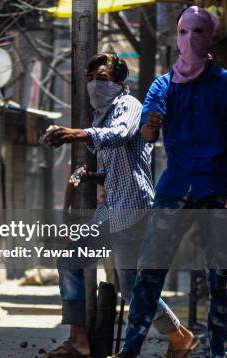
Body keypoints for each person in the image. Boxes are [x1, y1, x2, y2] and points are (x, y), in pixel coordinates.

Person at [43, 52, 192, 357]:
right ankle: (79, 341)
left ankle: (179, 335)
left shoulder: (130, 106)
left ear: (119, 82)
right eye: (91, 79)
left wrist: (74, 134)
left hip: (133, 206)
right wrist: (93, 176)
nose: (95, 85)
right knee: (70, 258)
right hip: (111, 207)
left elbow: (120, 136)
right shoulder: (102, 114)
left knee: (131, 285)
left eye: (102, 79)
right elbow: (115, 170)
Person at [113, 7, 227, 358]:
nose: (188, 39)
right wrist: (152, 123)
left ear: (209, 37)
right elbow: (147, 132)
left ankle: (218, 352)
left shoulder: (223, 83)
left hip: (217, 191)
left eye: (196, 32)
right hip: (175, 188)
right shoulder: (164, 84)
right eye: (182, 32)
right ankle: (130, 350)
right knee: (148, 272)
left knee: (220, 277)